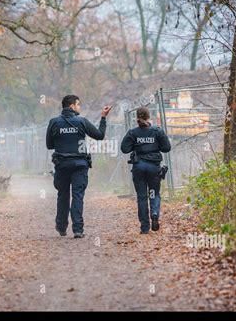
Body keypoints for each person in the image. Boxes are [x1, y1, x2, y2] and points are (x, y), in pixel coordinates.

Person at [46, 95, 112, 238]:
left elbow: (49, 145)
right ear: (72, 106)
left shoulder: (54, 122)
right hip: (80, 165)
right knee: (78, 196)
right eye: (78, 105)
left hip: (61, 165)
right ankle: (78, 229)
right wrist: (103, 118)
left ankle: (61, 226)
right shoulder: (82, 122)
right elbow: (100, 135)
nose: (79, 107)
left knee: (63, 195)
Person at [121, 106, 171, 234]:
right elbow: (166, 148)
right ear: (149, 117)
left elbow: (124, 149)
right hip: (153, 168)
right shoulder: (157, 131)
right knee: (154, 193)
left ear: (136, 118)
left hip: (139, 168)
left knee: (142, 197)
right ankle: (154, 213)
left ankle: (144, 227)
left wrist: (136, 145)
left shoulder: (133, 133)